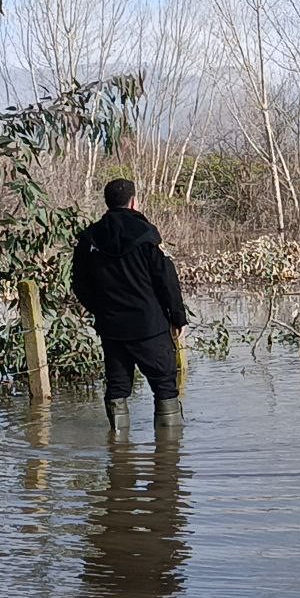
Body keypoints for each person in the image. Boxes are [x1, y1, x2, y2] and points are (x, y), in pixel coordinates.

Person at [72, 179, 188, 431]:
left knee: (117, 387)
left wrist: (102, 311)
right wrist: (177, 317)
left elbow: (79, 285)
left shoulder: (90, 237)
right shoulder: (146, 234)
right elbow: (166, 280)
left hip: (112, 328)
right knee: (165, 386)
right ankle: (168, 459)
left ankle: (118, 456)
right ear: (133, 202)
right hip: (150, 325)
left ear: (108, 202)